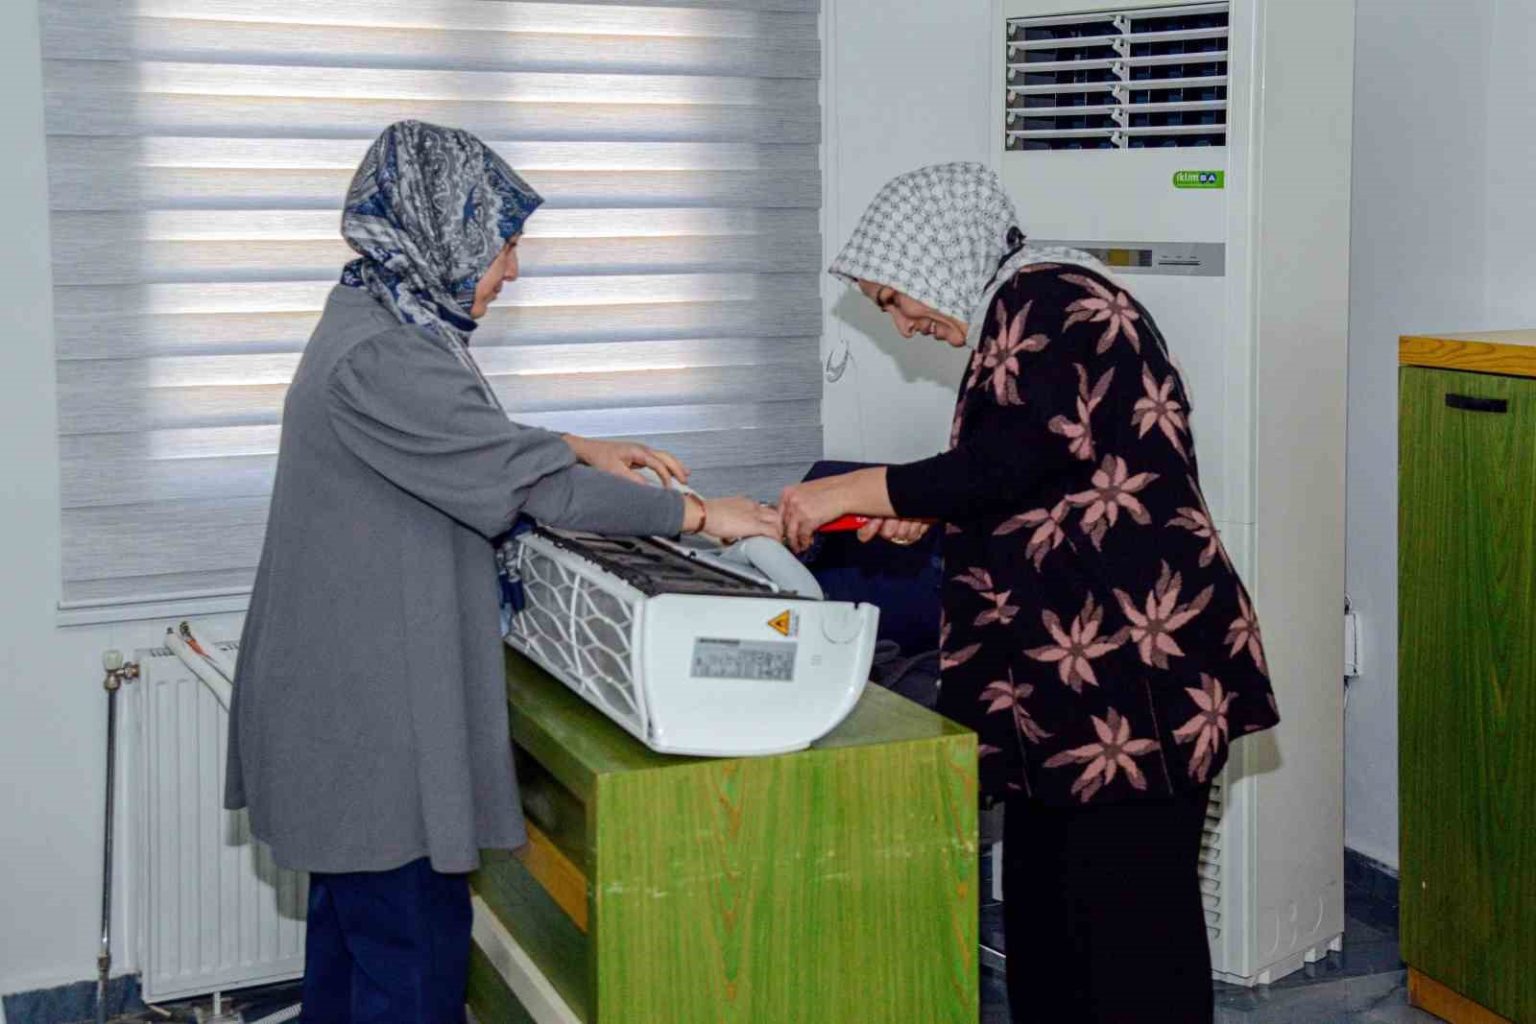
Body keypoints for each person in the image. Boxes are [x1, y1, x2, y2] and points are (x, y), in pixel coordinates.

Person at [224, 120, 780, 1024]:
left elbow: (456, 440)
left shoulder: (379, 315)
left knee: (354, 952)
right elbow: (533, 489)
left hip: (346, 709)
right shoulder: (386, 354)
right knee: (411, 965)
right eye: (504, 244)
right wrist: (701, 516)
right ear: (443, 232)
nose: (512, 270)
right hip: (365, 724)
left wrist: (573, 442)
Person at [779, 163, 1279, 1024]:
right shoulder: (1025, 308)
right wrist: (928, 514)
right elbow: (1046, 479)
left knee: (1131, 944)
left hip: (1132, 680)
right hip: (1073, 692)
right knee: (1052, 926)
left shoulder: (1050, 301)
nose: (904, 324)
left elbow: (1009, 460)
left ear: (938, 255)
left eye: (895, 299)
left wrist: (854, 490)